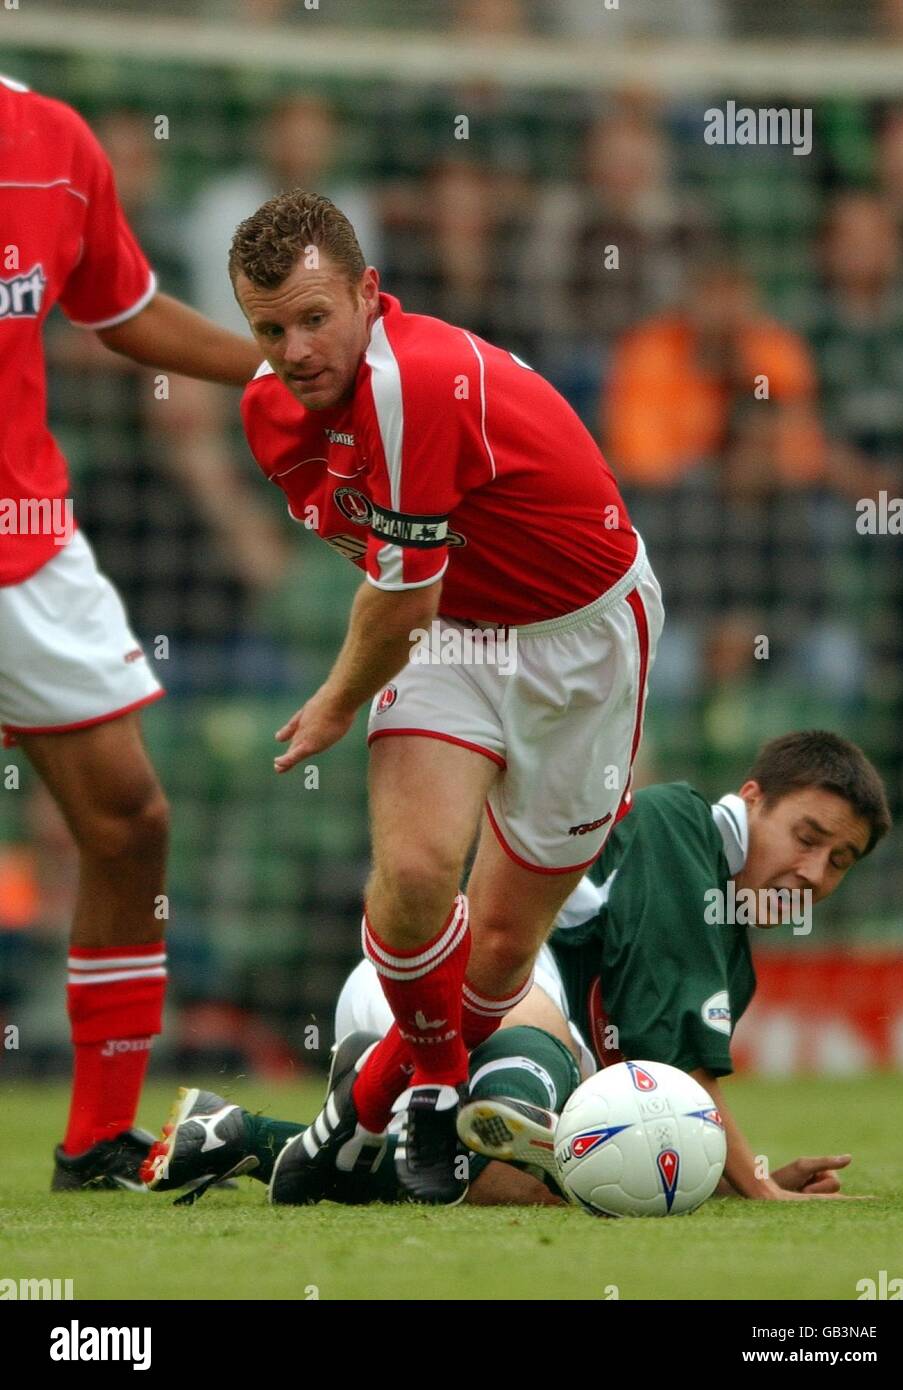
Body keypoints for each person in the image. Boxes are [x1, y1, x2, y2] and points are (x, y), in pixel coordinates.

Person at [228, 188, 663, 1203]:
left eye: (313, 317)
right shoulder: (269, 412)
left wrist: (337, 701)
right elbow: (407, 591)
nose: (293, 350)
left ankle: (355, 1114)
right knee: (418, 877)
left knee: (504, 953)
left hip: (582, 643)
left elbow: (397, 592)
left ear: (370, 294)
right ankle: (430, 1089)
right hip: (453, 636)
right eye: (269, 328)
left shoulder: (414, 381)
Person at [143, 730, 891, 1206]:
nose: (813, 872)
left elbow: (656, 1095)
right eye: (806, 836)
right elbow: (674, 1073)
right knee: (565, 1101)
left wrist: (733, 1180)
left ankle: (246, 1134)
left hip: (453, 1029)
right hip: (454, 1001)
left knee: (528, 1190)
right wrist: (753, 1186)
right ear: (751, 798)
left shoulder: (729, 935)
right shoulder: (681, 831)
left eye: (838, 861)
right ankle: (431, 1099)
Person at [0, 74, 262, 1189]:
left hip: (27, 542)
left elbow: (126, 311)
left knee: (128, 821)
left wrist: (279, 361)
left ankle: (99, 1137)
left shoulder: (53, 141)